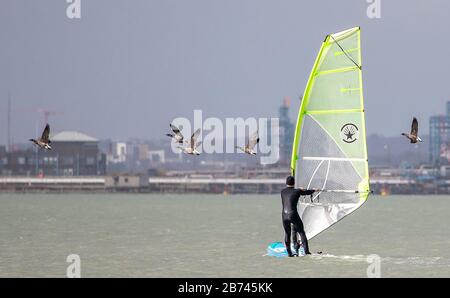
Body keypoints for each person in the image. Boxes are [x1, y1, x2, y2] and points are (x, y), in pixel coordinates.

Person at [281, 176, 315, 257]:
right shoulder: (297, 191)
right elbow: (307, 192)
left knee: (287, 234)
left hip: (284, 215)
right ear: (294, 183)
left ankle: (289, 253)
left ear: (286, 183)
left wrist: (298, 190)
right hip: (293, 214)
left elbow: (291, 192)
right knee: (301, 232)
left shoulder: (282, 191)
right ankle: (307, 252)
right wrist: (314, 190)